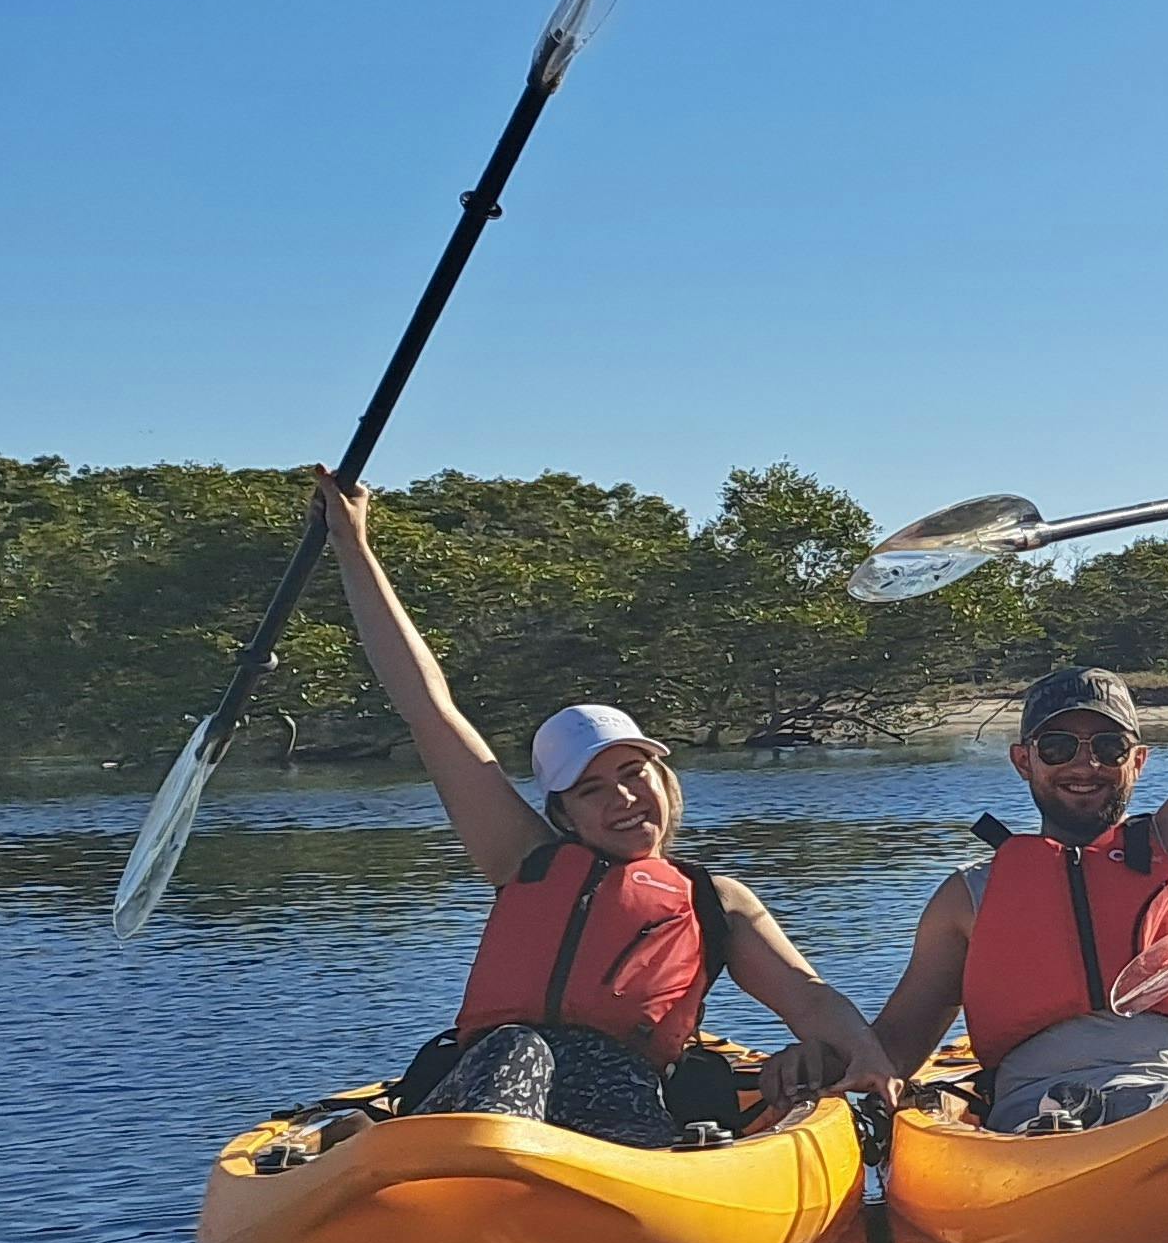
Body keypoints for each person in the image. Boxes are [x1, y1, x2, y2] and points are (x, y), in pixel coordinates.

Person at [318, 472, 899, 1143]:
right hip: (491, 1090)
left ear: (664, 777)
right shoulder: (524, 857)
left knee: (630, 1092)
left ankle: (627, 1189)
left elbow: (810, 997)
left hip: (617, 1097)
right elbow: (427, 706)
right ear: (564, 813)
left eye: (633, 773)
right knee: (521, 1050)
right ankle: (421, 1161)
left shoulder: (717, 902)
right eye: (593, 789)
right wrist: (352, 544)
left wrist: (864, 1055)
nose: (623, 798)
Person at [871, 478, 1168, 1134]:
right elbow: (897, 1047)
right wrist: (824, 1065)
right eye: (1061, 744)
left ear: (1138, 761)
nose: (1084, 764)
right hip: (1038, 1124)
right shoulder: (966, 900)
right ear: (1024, 760)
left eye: (1107, 745)